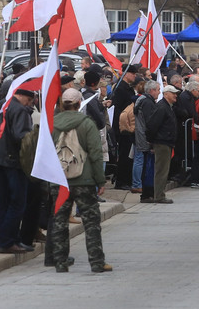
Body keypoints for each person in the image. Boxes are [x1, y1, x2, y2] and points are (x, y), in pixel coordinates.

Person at [49, 88, 110, 273]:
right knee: (91, 223)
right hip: (84, 180)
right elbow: (95, 153)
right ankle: (97, 262)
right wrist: (100, 180)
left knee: (59, 222)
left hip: (59, 181)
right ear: (78, 104)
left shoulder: (52, 124)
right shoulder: (86, 124)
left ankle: (60, 261)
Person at [0, 87, 33, 253]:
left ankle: (3, 239)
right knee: (17, 202)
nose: (30, 104)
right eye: (29, 100)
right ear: (21, 95)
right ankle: (7, 240)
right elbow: (22, 138)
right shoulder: (19, 110)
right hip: (12, 161)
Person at [143, 84, 179, 204]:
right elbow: (152, 125)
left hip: (165, 142)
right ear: (166, 94)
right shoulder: (162, 107)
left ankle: (159, 194)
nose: (175, 95)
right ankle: (159, 195)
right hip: (162, 142)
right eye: (173, 93)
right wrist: (152, 141)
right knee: (161, 170)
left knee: (163, 170)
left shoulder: (167, 106)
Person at [110, 65, 140, 190]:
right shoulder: (121, 89)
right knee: (124, 155)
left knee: (128, 155)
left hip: (129, 125)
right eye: (133, 73)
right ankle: (121, 181)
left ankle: (125, 179)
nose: (134, 76)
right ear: (126, 74)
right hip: (124, 127)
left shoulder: (127, 88)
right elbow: (118, 110)